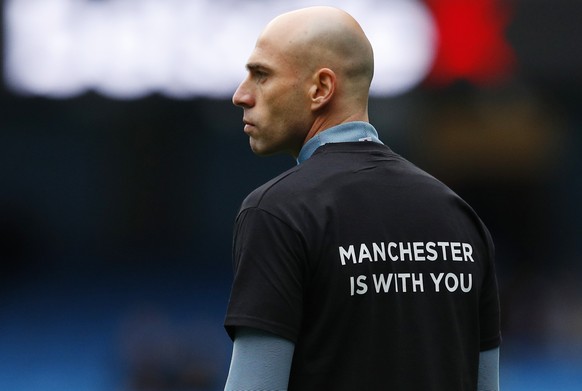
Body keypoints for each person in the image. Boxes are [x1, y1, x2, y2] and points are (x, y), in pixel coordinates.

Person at [223, 6, 501, 391]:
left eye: (261, 74)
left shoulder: (276, 213)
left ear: (320, 88)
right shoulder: (460, 217)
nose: (241, 95)